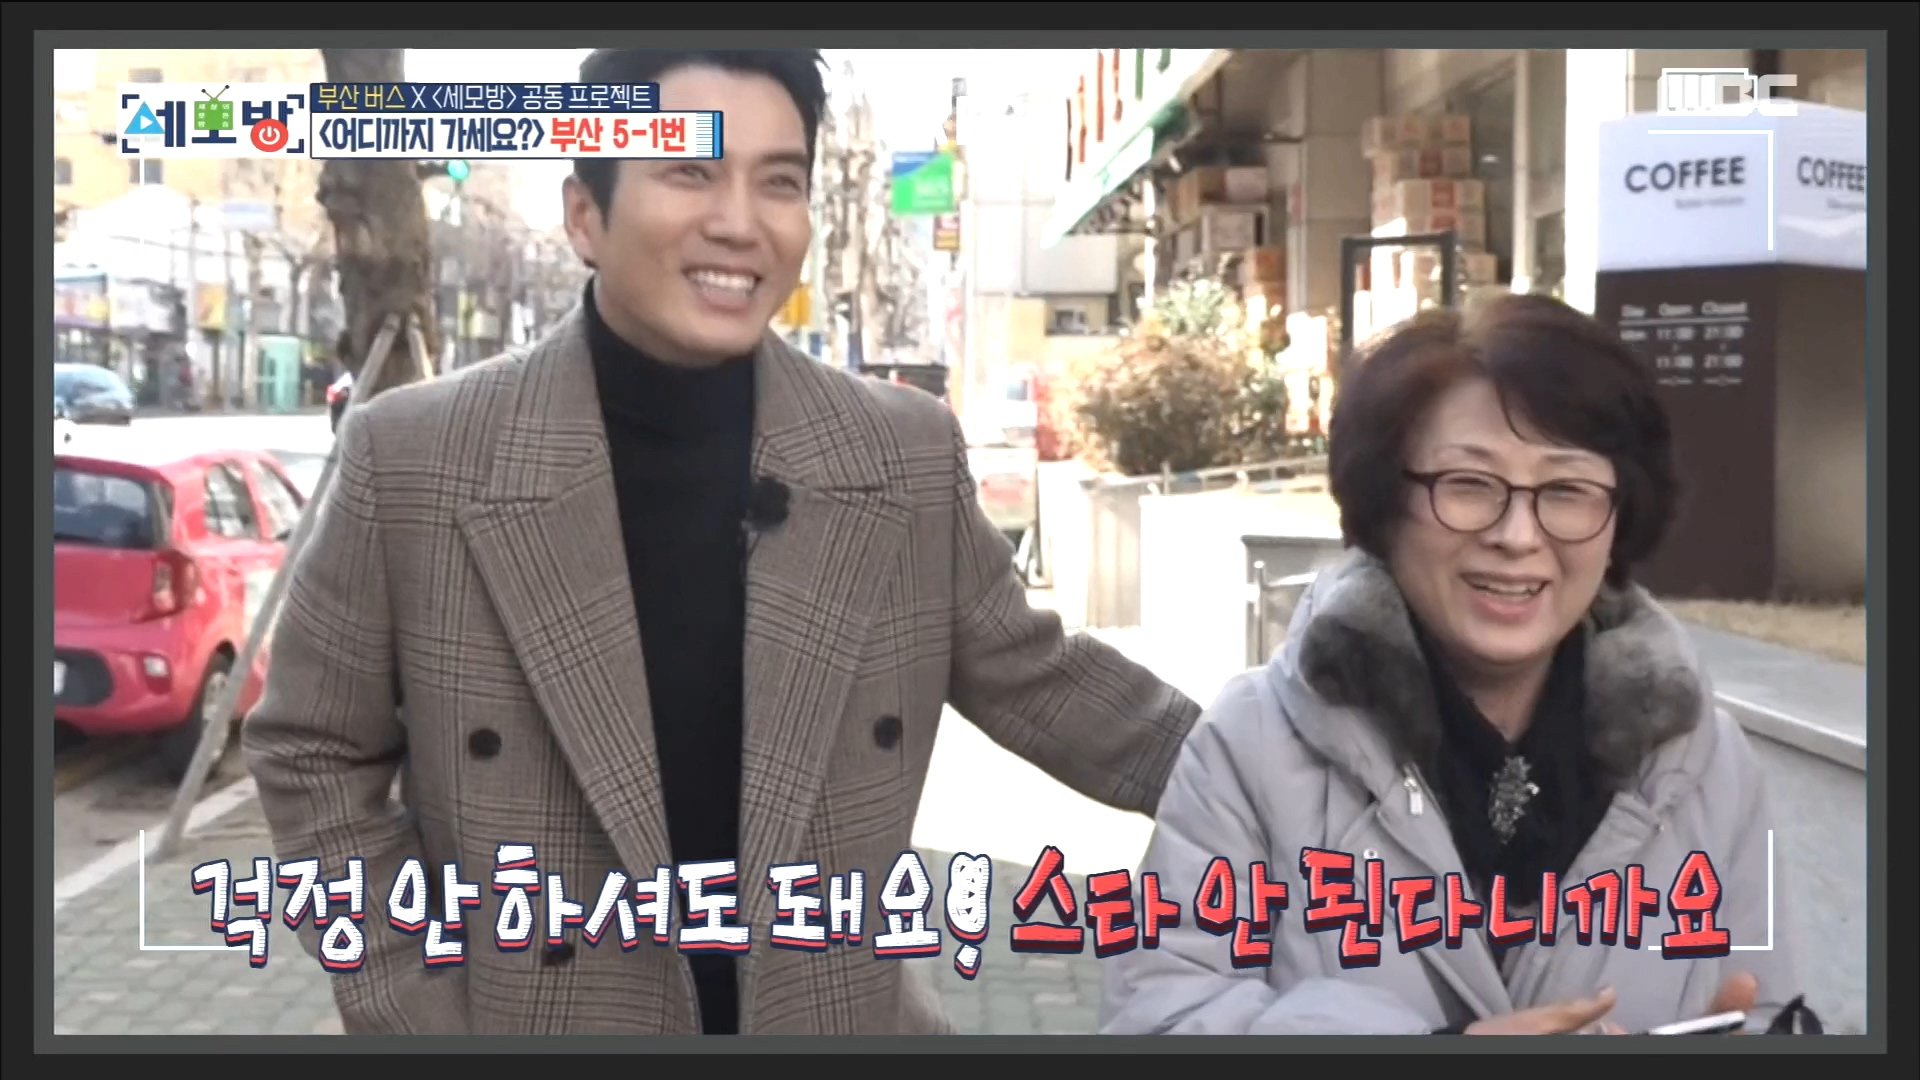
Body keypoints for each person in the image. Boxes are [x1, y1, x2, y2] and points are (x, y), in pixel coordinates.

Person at [242, 48, 1200, 1037]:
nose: (740, 222)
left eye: (779, 181)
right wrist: (415, 1005)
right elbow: (313, 751)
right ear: (585, 214)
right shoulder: (417, 457)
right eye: (690, 171)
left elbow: (1041, 681)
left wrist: (1276, 763)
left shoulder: (898, 453)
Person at [1099, 293, 1802, 1036]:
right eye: (1469, 485)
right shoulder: (1253, 744)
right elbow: (1158, 1016)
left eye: (1567, 491)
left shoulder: (1702, 762)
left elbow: (1770, 1010)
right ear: (1384, 505)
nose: (1517, 536)